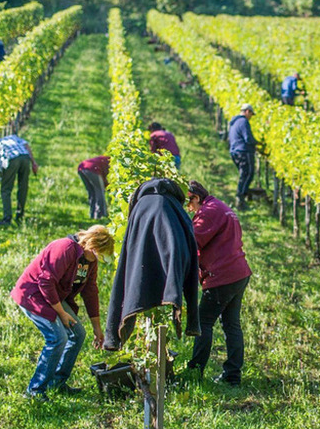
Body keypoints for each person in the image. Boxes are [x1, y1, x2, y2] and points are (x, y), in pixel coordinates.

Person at [11, 225, 115, 401]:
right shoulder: (65, 248)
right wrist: (61, 312)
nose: (100, 259)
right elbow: (45, 282)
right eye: (100, 254)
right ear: (93, 247)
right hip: (34, 295)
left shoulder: (90, 261)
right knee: (57, 337)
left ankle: (57, 383)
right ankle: (35, 390)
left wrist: (97, 328)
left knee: (78, 334)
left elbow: (90, 291)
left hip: (54, 297)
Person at [104, 178, 200, 350]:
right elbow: (190, 241)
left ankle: (112, 337)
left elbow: (130, 249)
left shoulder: (140, 206)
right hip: (173, 259)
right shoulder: (176, 208)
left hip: (142, 261)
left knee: (126, 273)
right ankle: (193, 324)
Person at [185, 181, 252, 385]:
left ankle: (195, 372)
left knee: (203, 323)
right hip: (238, 272)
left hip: (222, 276)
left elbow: (192, 241)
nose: (189, 210)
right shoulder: (220, 206)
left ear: (195, 198)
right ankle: (233, 375)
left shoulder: (208, 212)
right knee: (232, 324)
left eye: (189, 204)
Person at [0, 134, 39, 225]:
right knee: (23, 187)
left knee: (6, 190)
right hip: (25, 157)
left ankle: (7, 218)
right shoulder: (13, 138)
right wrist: (33, 162)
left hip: (10, 159)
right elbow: (26, 145)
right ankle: (20, 215)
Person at [228, 104, 258, 210]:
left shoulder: (234, 122)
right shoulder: (244, 121)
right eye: (251, 114)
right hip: (244, 151)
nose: (250, 117)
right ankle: (240, 198)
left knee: (243, 174)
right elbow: (248, 138)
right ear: (247, 111)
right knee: (248, 174)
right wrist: (257, 143)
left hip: (235, 151)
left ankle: (241, 197)